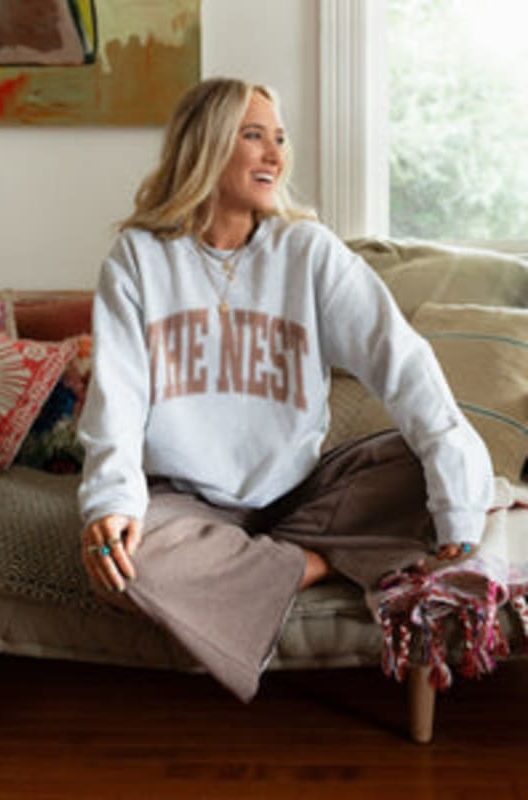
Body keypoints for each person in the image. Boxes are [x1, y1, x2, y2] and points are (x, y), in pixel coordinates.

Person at [78, 77, 494, 701]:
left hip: (303, 496)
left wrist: (455, 494)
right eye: (254, 136)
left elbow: (404, 365)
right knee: (121, 563)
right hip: (185, 503)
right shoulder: (138, 258)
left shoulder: (308, 252)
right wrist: (110, 505)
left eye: (279, 137)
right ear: (207, 144)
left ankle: (258, 565)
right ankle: (315, 564)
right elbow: (117, 399)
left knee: (428, 468)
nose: (275, 154)